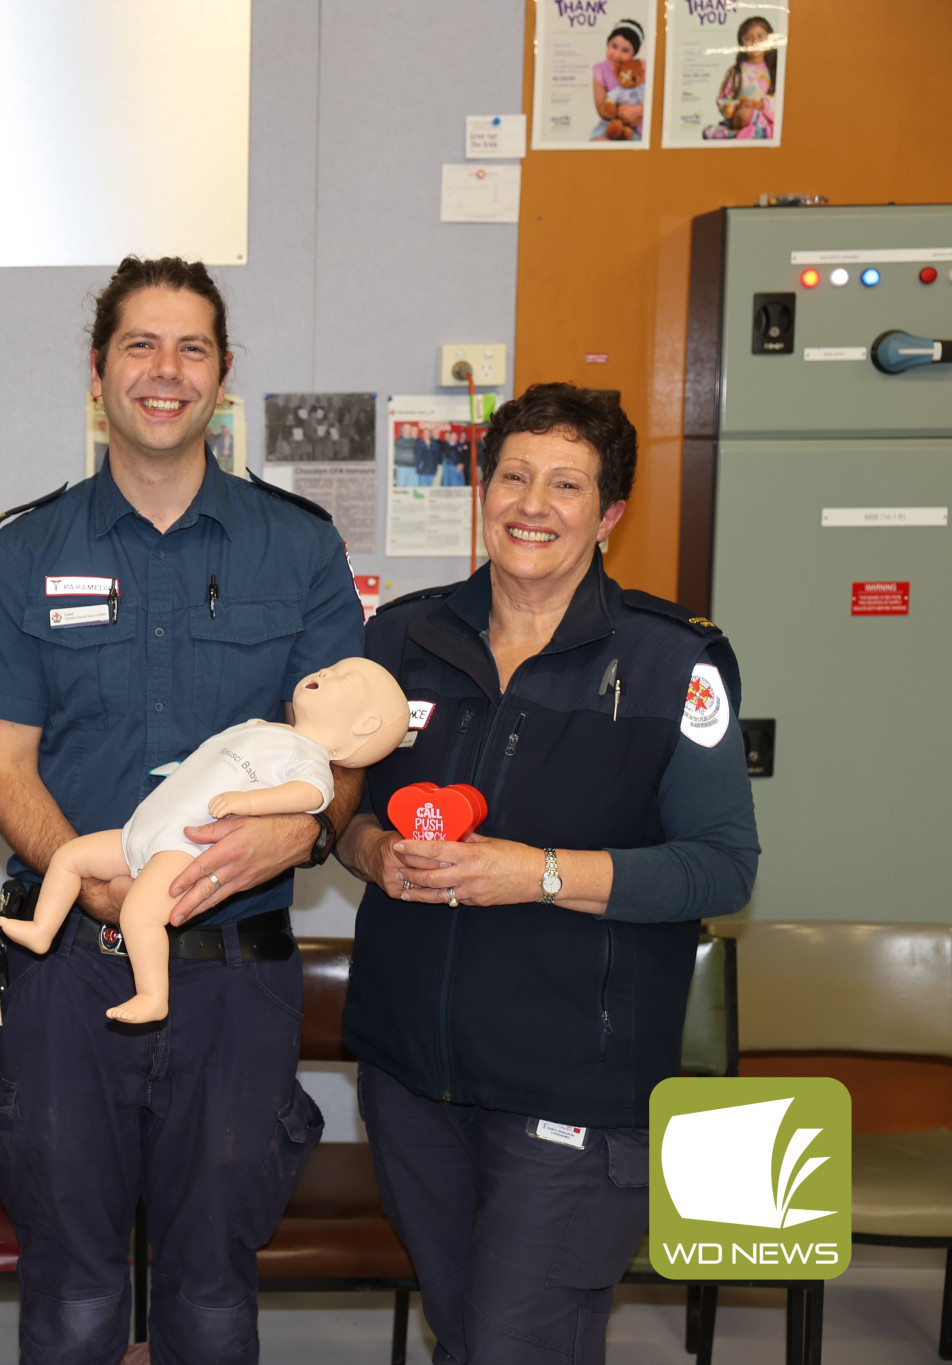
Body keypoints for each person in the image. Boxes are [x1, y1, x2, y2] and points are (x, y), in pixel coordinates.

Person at [0, 255, 366, 1364]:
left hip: (237, 971)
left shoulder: (298, 544)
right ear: (96, 373)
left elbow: (349, 749)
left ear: (223, 377)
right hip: (68, 974)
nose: (164, 371)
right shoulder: (26, 549)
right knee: (74, 1294)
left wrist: (306, 826)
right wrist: (92, 879)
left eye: (191, 349)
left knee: (213, 1298)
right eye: (139, 345)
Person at [337, 383, 761, 1365]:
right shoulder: (399, 640)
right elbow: (341, 812)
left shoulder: (672, 664)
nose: (532, 504)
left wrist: (537, 874)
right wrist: (370, 854)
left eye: (564, 485)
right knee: (463, 1333)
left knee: (514, 1347)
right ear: (483, 488)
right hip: (411, 1075)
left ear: (607, 513)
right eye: (514, 476)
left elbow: (718, 868)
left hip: (573, 1079)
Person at [0, 658, 407, 1024]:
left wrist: (251, 801)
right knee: (71, 856)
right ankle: (42, 928)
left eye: (343, 678)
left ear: (365, 726)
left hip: (182, 848)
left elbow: (311, 795)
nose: (324, 672)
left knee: (139, 913)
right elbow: (209, 758)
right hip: (142, 831)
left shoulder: (310, 759)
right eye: (329, 667)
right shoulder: (260, 728)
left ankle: (152, 996)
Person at [706, 15, 779, 141]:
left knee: (748, 115)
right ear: (742, 43)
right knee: (742, 115)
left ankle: (747, 133)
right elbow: (722, 100)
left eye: (760, 36)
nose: (755, 42)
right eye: (749, 38)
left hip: (766, 118)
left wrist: (762, 105)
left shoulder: (775, 70)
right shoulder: (736, 72)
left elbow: (785, 100)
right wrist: (738, 104)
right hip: (740, 118)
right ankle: (750, 133)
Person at [589, 19, 647, 142]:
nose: (617, 54)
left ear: (634, 53)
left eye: (625, 50)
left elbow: (656, 101)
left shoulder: (641, 69)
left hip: (638, 127)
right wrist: (621, 112)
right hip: (609, 124)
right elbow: (601, 108)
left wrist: (639, 111)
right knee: (600, 142)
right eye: (614, 46)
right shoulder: (600, 70)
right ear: (607, 43)